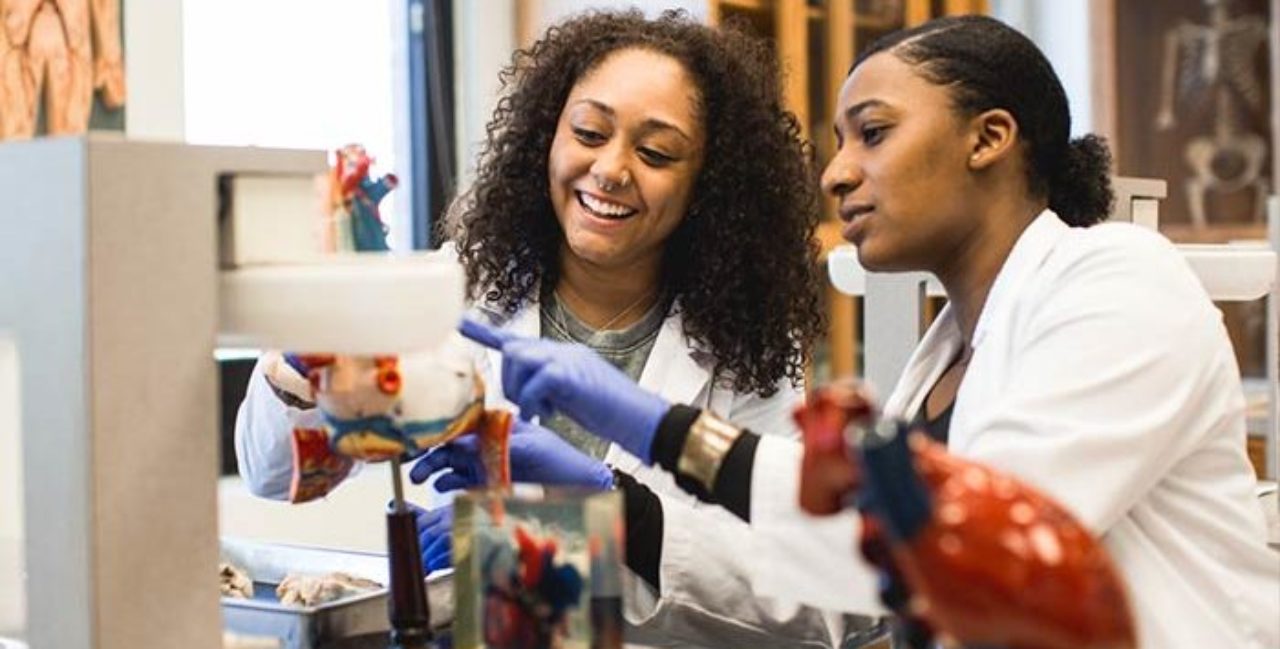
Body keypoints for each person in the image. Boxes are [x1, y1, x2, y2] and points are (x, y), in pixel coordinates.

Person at [430, 14, 1280, 649]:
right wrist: (613, 506)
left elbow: (973, 536)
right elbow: (840, 587)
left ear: (989, 138)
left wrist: (656, 430)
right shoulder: (940, 360)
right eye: (839, 142)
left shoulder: (1119, 276)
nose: (836, 172)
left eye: (872, 134)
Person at [235, 9, 883, 649]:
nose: (611, 169)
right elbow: (271, 473)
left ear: (707, 184)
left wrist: (574, 527)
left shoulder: (745, 342)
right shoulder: (461, 287)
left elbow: (809, 608)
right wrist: (302, 362)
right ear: (548, 135)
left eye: (656, 151)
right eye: (589, 132)